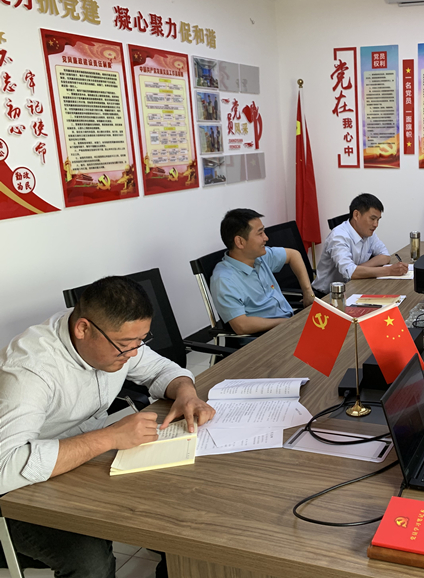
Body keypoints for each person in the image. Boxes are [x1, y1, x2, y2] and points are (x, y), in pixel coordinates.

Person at [0, 276, 216, 577]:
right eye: (125, 346)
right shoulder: (30, 369)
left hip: (83, 464)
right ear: (83, 329)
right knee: (91, 563)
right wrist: (109, 437)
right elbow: (5, 467)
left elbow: (161, 369)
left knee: (180, 506)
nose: (133, 354)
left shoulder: (115, 338)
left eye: (140, 342)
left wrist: (186, 393)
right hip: (20, 493)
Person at [211, 208, 314, 335]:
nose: (266, 238)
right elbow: (241, 325)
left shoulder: (259, 257)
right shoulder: (224, 280)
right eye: (260, 233)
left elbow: (294, 255)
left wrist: (307, 291)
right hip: (266, 336)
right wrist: (287, 322)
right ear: (240, 242)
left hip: (288, 324)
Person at [312, 193, 407, 294]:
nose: (376, 224)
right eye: (372, 219)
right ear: (356, 215)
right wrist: (389, 271)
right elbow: (350, 273)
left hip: (354, 288)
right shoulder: (338, 237)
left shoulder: (368, 233)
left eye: (378, 220)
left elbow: (385, 256)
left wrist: (359, 269)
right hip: (327, 295)